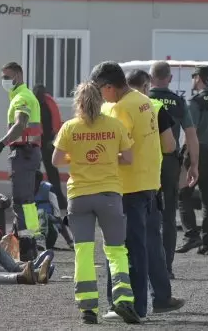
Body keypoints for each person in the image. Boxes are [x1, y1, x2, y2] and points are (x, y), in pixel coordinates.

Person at [90, 62, 180, 320]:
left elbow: (118, 151)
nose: (100, 96)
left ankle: (128, 306)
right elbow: (165, 145)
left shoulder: (119, 109)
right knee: (140, 247)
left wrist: (92, 158)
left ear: (109, 87)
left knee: (120, 249)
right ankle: (140, 304)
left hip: (125, 186)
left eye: (100, 90)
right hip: (147, 184)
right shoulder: (144, 100)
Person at [51, 81, 139, 325]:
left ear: (78, 102)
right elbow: (129, 158)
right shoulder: (115, 125)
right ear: (100, 101)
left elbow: (57, 159)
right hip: (109, 194)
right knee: (116, 250)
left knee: (84, 251)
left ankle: (88, 307)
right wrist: (108, 157)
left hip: (79, 196)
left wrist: (79, 156)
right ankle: (122, 298)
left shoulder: (70, 127)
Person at [125, 70, 185, 315]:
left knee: (121, 246)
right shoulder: (154, 106)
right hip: (148, 182)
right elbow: (170, 145)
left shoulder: (111, 108)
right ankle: (160, 297)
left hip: (117, 185)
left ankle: (122, 299)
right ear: (146, 86)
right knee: (151, 241)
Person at [149, 61, 200, 277]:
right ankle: (166, 268)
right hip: (170, 162)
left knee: (144, 213)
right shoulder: (179, 102)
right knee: (169, 216)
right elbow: (191, 135)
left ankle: (147, 264)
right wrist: (193, 165)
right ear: (169, 78)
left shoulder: (142, 101)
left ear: (151, 78)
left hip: (145, 163)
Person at [0, 62, 42, 236]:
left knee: (21, 200)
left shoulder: (21, 98)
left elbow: (20, 125)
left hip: (24, 153)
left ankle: (27, 241)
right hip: (28, 152)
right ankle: (31, 237)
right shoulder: (22, 95)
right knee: (27, 201)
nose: (3, 81)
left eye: (6, 77)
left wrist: (0, 145)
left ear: (17, 76)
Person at [177, 65, 208, 256]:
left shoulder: (196, 102)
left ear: (198, 78)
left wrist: (186, 156)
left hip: (197, 152)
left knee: (183, 195)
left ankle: (191, 235)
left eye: (193, 77)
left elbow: (192, 132)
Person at [33, 84, 66, 210]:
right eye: (39, 94)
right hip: (34, 143)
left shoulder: (49, 102)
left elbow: (56, 120)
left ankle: (60, 202)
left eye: (43, 94)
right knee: (34, 172)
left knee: (53, 173)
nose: (41, 96)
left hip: (48, 142)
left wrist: (52, 138)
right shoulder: (31, 104)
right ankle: (34, 200)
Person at [34, 171, 74, 250]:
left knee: (41, 212)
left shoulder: (47, 189)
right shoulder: (25, 191)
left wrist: (69, 242)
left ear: (38, 181)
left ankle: (41, 241)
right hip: (32, 232)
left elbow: (58, 216)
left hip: (50, 228)